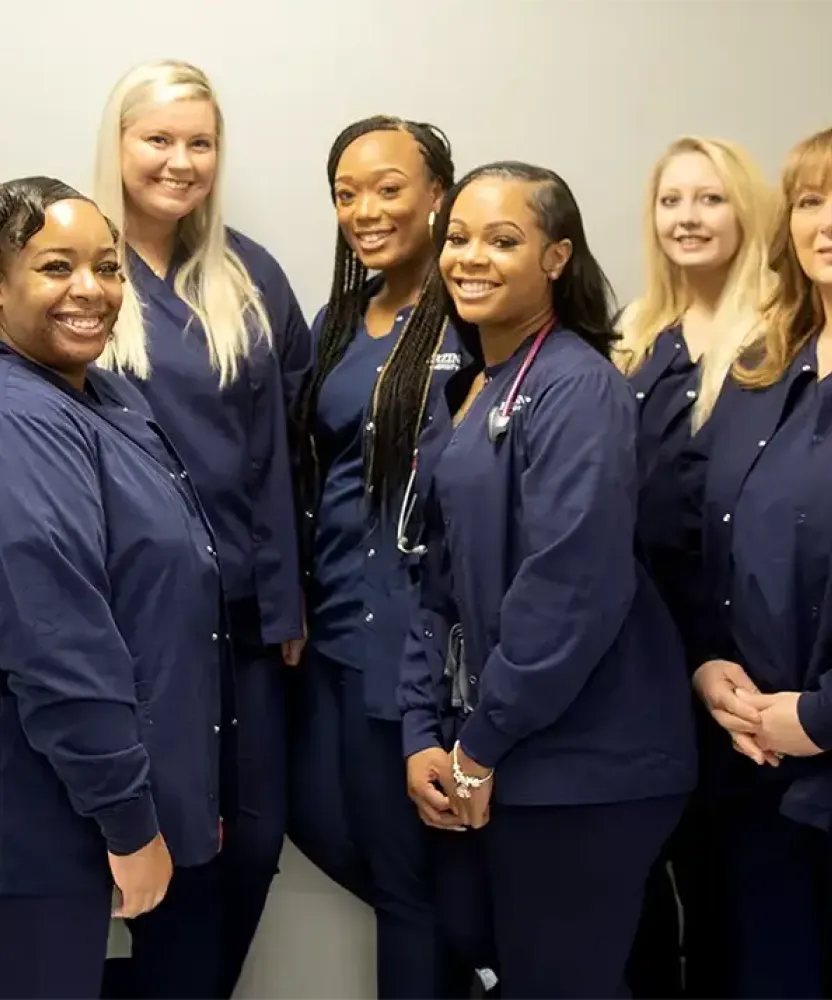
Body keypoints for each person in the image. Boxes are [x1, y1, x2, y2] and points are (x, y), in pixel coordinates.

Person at [399, 161, 698, 1000]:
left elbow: (570, 586)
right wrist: (423, 731)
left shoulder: (579, 389)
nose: (472, 258)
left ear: (557, 258)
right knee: (492, 952)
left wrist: (481, 742)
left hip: (588, 765)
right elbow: (439, 582)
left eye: (504, 240)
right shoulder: (468, 389)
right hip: (503, 748)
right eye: (457, 238)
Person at [92, 59, 310, 999]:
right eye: (159, 139)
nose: (181, 162)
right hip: (140, 620)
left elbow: (285, 447)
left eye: (200, 143)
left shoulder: (248, 273)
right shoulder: (83, 269)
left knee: (254, 838)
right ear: (120, 144)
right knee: (171, 845)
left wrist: (287, 598)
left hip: (252, 617)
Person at [0, 176, 226, 1000]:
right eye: (56, 267)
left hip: (76, 818)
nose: (91, 290)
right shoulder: (19, 418)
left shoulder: (102, 395)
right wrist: (132, 821)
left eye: (106, 266)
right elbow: (61, 647)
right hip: (37, 829)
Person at [287, 115, 472, 1000]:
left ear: (440, 194)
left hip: (405, 642)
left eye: (388, 188)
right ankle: (478, 962)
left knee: (404, 882)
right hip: (326, 632)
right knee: (312, 818)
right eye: (346, 192)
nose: (365, 209)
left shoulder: (471, 314)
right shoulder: (338, 320)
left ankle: (475, 960)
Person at [616, 136, 774, 1000]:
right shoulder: (640, 341)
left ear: (746, 210)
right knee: (636, 904)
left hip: (744, 669)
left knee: (733, 911)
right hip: (645, 664)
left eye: (709, 199)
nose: (687, 217)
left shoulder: (783, 341)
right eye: (671, 200)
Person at [689, 126, 832, 1000]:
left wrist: (820, 717)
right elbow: (712, 546)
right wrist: (708, 665)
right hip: (747, 766)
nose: (827, 222)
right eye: (812, 201)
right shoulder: (761, 371)